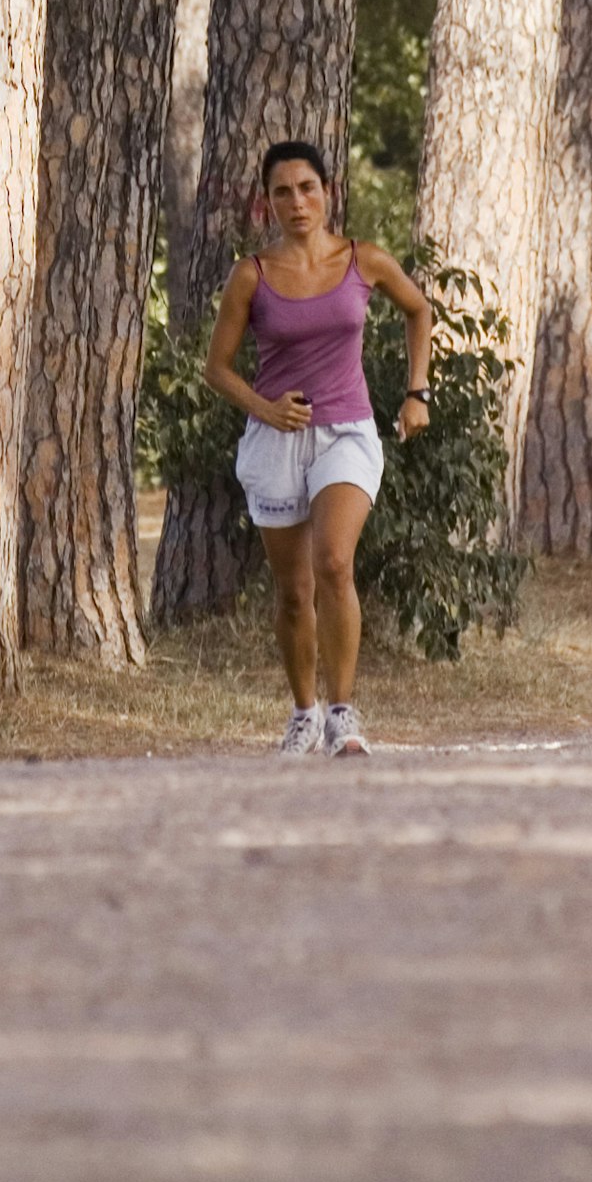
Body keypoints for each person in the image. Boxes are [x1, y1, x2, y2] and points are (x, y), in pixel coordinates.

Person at [202, 140, 435, 758]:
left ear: (327, 191)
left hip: (348, 432)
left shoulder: (365, 261)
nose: (297, 201)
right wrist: (264, 407)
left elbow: (419, 311)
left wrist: (418, 393)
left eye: (307, 187)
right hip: (276, 440)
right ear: (268, 203)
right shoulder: (251, 274)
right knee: (293, 590)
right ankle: (303, 712)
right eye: (283, 191)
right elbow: (217, 368)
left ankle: (342, 714)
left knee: (334, 562)